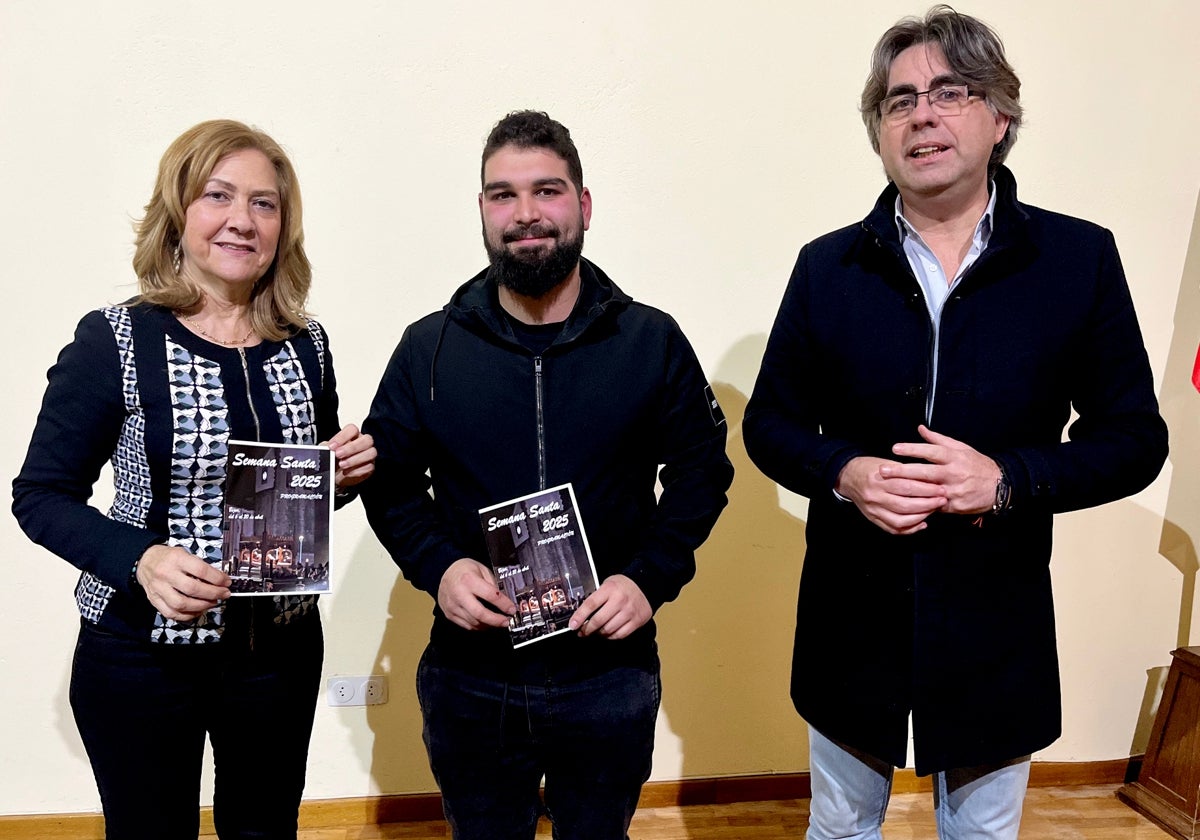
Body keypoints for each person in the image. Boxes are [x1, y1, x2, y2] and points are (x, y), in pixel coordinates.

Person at [742, 7, 1168, 839]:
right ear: (879, 132)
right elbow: (769, 424)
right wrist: (846, 474)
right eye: (899, 101)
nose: (922, 114)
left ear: (1000, 117)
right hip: (848, 614)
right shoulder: (827, 267)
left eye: (950, 92)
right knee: (839, 828)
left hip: (994, 618)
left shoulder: (1077, 260)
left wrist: (1007, 479)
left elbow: (1134, 440)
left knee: (978, 835)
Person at [361, 110, 733, 839]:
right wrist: (439, 567)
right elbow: (391, 482)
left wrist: (648, 578)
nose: (526, 214)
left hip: (609, 672)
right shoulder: (427, 347)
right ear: (482, 212)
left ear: (583, 206)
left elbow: (702, 473)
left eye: (547, 191)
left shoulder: (650, 340)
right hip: (470, 674)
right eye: (503, 195)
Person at [12, 119, 376, 840]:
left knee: (265, 831)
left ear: (283, 226)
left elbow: (292, 490)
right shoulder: (114, 338)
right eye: (219, 196)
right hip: (139, 654)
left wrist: (339, 477)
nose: (242, 220)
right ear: (179, 212)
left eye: (265, 204)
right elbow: (40, 495)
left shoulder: (308, 344)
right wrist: (140, 559)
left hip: (278, 653)